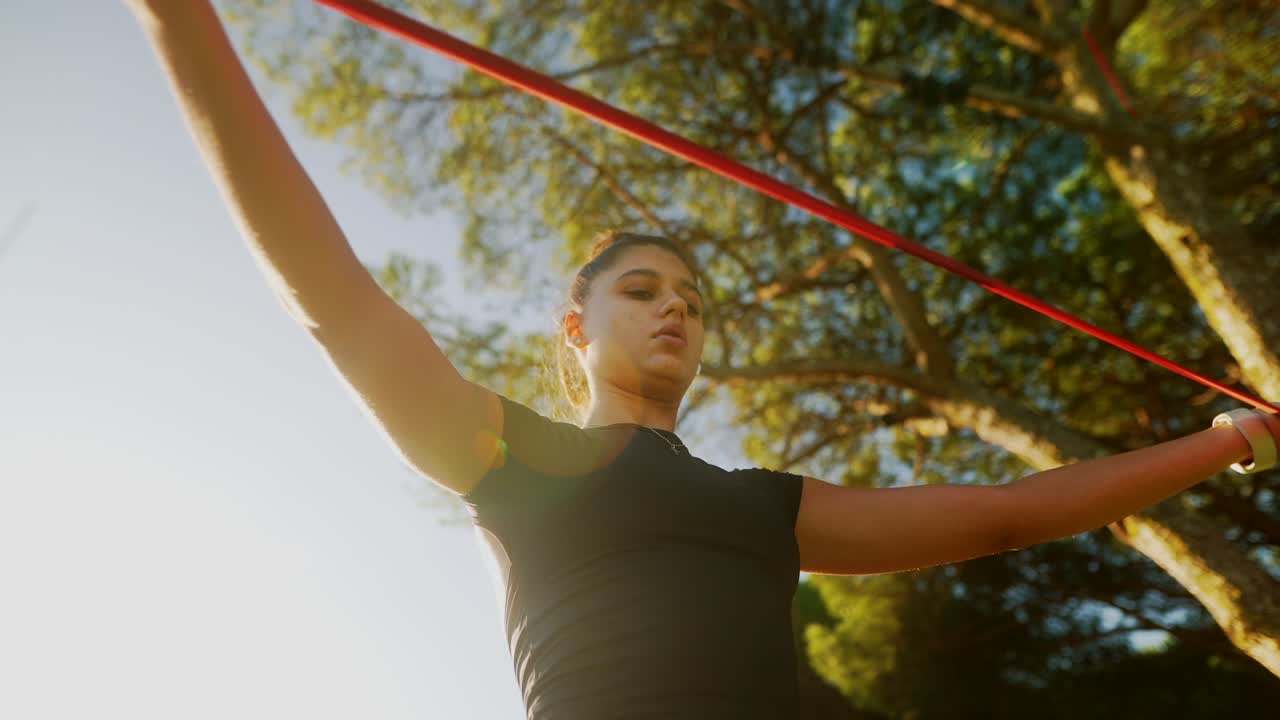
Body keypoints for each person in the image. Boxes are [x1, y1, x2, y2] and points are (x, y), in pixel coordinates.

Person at [126, 1, 1280, 717]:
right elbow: (334, 299)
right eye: (639, 291)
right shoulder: (514, 462)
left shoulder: (762, 508)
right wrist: (177, 18)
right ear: (572, 329)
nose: (674, 310)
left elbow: (1005, 515)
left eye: (690, 298)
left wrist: (1229, 439)